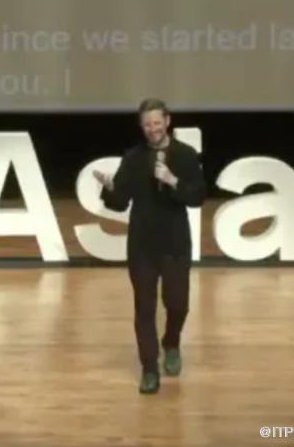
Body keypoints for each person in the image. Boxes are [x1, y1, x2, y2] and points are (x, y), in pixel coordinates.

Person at [93, 98, 206, 394]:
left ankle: (172, 343)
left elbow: (197, 196)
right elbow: (120, 203)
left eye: (157, 123)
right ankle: (149, 369)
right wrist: (110, 188)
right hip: (142, 245)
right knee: (144, 308)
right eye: (147, 125)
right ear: (141, 127)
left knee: (178, 304)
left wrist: (172, 180)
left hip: (175, 243)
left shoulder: (185, 155)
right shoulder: (133, 158)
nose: (152, 129)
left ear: (167, 121)